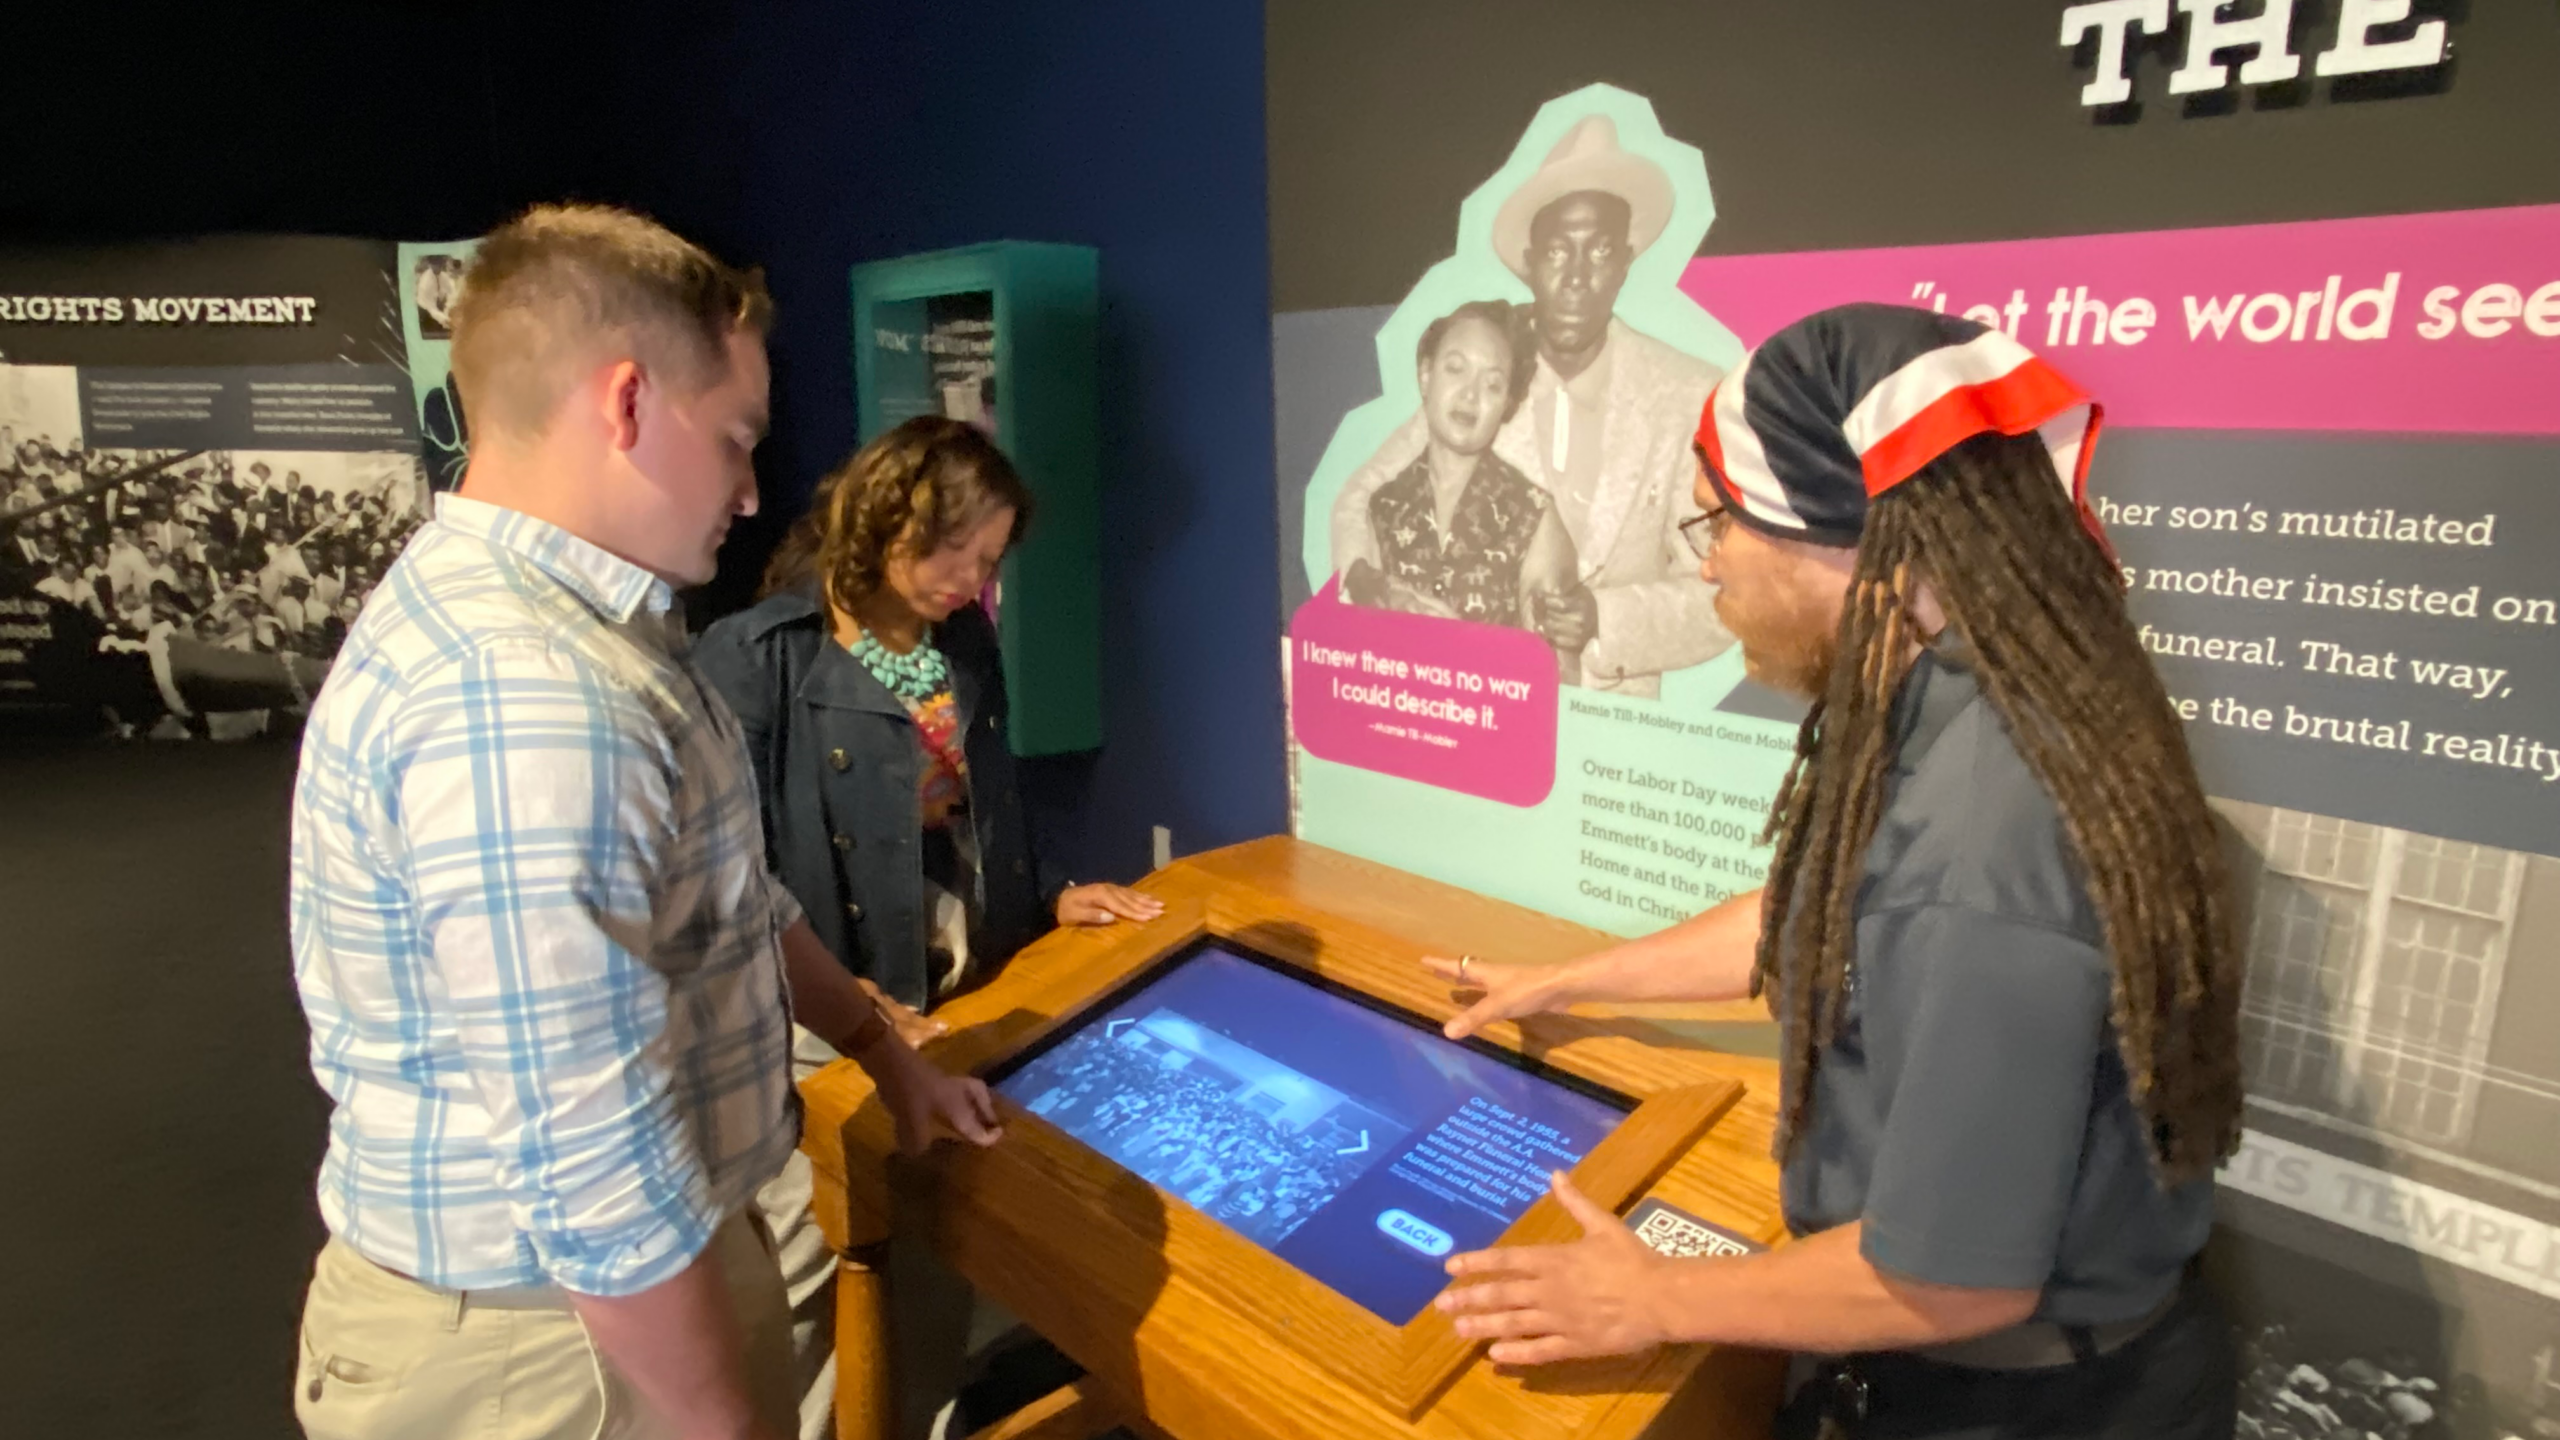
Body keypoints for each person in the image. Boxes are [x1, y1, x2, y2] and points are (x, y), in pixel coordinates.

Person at [1426, 304, 2246, 1439]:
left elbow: (1953, 1281)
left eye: (1720, 518)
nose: (1704, 558)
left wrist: (1647, 1298)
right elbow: (1825, 914)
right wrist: (1573, 978)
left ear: (1855, 543)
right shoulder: (1973, 699)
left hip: (2022, 1406)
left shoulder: (1982, 853)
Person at [287, 202, 1002, 1440]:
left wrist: (881, 1048)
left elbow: (733, 900)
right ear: (625, 403)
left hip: (625, 1296)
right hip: (556, 1350)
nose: (751, 491)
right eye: (735, 439)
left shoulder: (589, 633)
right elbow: (593, 1162)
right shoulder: (526, 689)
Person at [695, 414, 1162, 1440]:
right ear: (883, 519)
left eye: (989, 561)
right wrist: (845, 999)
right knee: (817, 1265)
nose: (970, 580)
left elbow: (990, 801)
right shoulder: (759, 655)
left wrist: (1046, 895)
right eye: (954, 550)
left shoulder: (962, 640)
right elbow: (733, 872)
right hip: (822, 1009)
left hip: (952, 988)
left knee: (940, 1255)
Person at [1328, 114, 1729, 695]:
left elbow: (1724, 589)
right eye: (1558, 251)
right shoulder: (1486, 372)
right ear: (1529, 260)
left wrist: (1605, 619)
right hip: (1477, 707)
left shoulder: (1688, 396)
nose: (1576, 277)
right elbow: (1362, 496)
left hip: (1616, 733)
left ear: (1626, 262)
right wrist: (1366, 581)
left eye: (1600, 251)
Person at [1342, 299, 1584, 681]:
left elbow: (1559, 682)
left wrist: (1465, 650)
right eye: (1455, 369)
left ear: (1508, 405)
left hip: (1496, 718)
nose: (1470, 395)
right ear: (1426, 377)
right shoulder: (1384, 506)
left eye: (1492, 385)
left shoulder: (1534, 515)